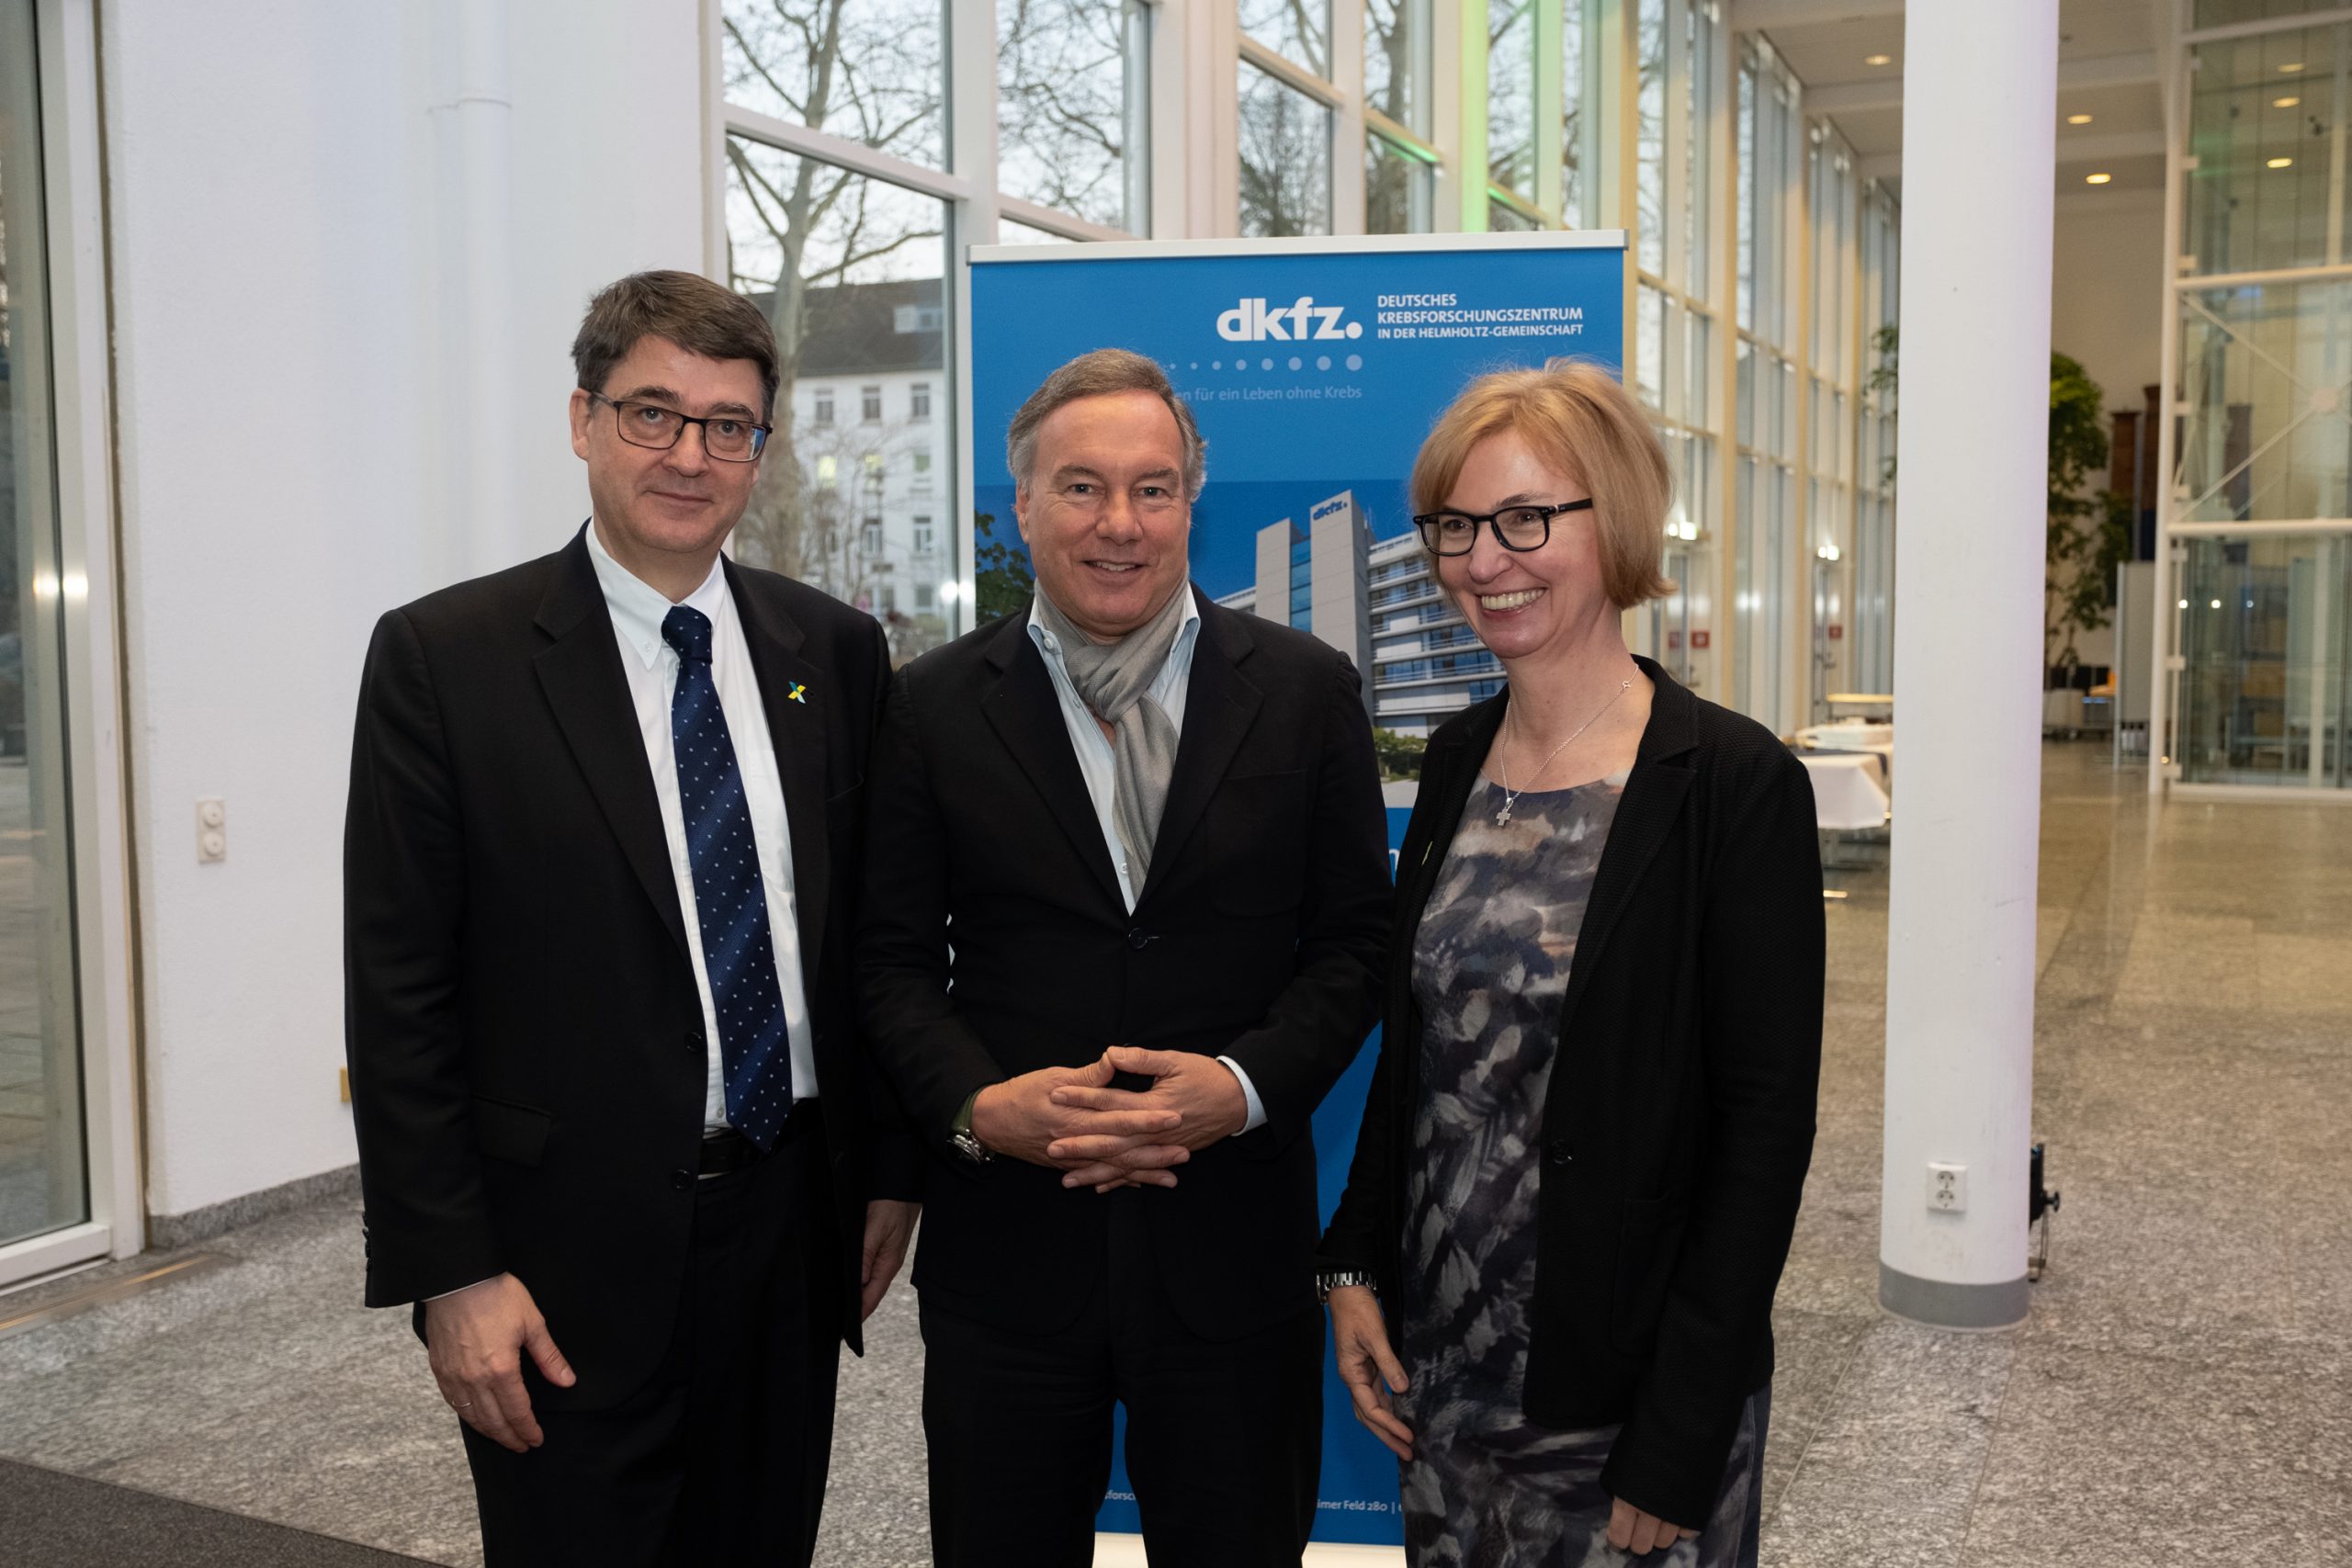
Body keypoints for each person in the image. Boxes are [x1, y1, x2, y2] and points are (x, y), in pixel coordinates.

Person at [344, 270, 920, 1566]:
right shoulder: (449, 660)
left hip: (788, 1229)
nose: (690, 454)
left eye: (729, 426)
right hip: (559, 1261)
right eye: (653, 412)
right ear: (582, 419)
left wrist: (888, 1171)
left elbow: (862, 939)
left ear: (761, 452)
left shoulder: (831, 652)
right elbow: (400, 993)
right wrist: (452, 1273)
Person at [855, 348, 1391, 1567]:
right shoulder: (930, 707)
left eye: (1154, 489)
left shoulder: (1306, 694)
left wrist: (1241, 1091)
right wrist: (979, 1108)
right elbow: (886, 961)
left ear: (1192, 502)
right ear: (1024, 505)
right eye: (1083, 487)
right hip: (1009, 1262)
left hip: (1233, 1259)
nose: (1120, 523)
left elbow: (1359, 944)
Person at [1316, 363, 1822, 1567]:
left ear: (1618, 522)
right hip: (1448, 1365)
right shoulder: (1452, 762)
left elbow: (1764, 1129)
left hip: (1628, 1384)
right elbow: (1420, 1052)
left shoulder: (1733, 786)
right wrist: (1352, 1262)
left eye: (1527, 520)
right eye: (1456, 526)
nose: (1486, 561)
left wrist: (1682, 1431)